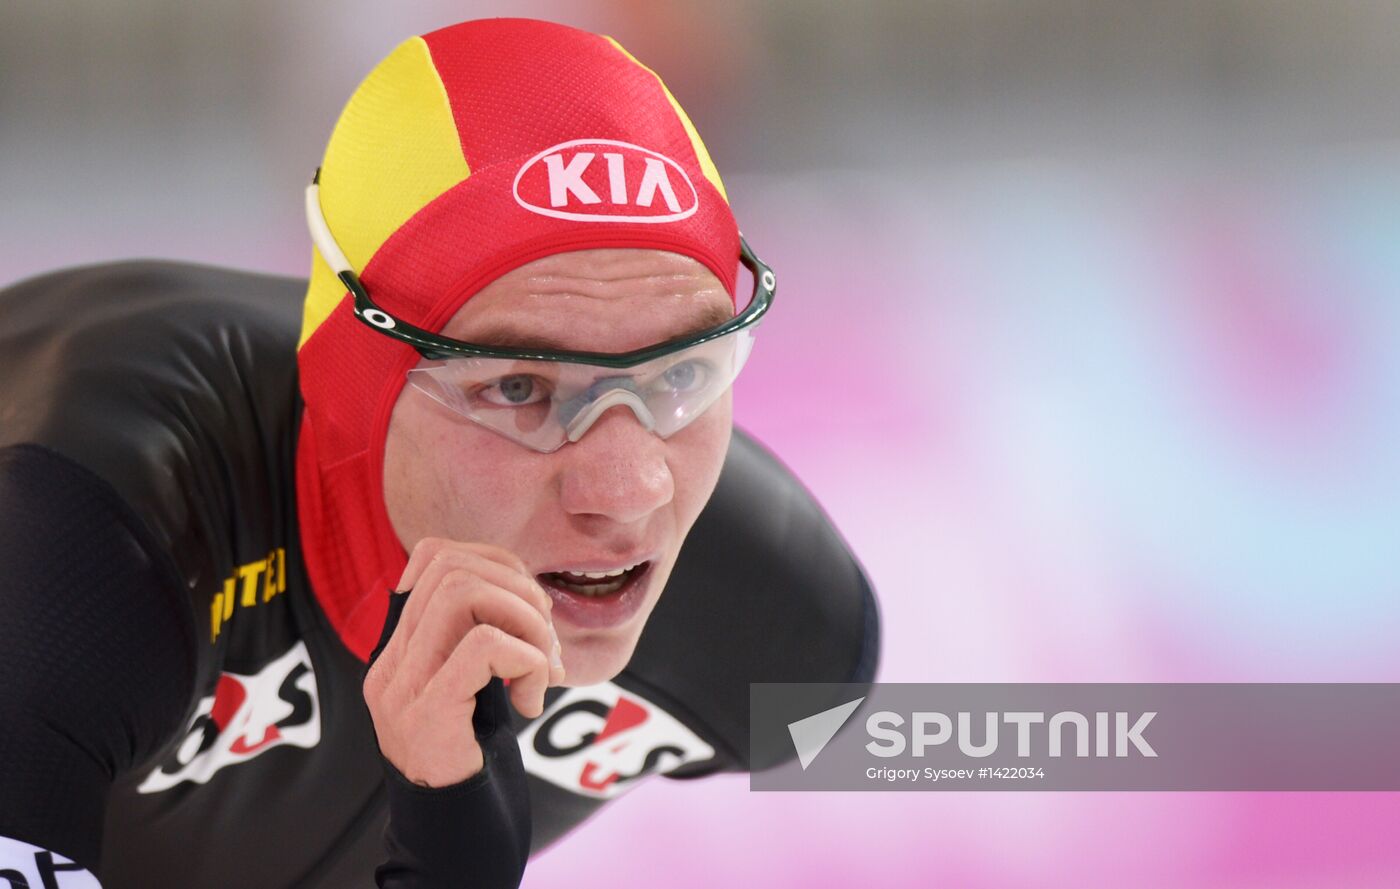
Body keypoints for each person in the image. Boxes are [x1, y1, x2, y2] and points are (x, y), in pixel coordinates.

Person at [0, 17, 879, 889]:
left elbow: (995, 753)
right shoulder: (86, 546)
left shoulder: (785, 629)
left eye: (682, 371)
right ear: (352, 390)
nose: (628, 490)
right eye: (520, 388)